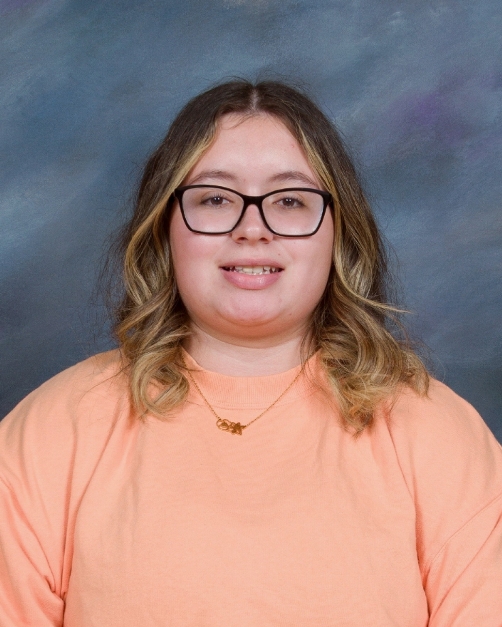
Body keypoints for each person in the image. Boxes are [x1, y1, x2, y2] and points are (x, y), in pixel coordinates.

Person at [0, 80, 501, 627]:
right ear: (164, 227)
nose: (252, 229)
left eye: (290, 201)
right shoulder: (52, 431)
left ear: (340, 232)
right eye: (215, 199)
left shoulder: (438, 435)